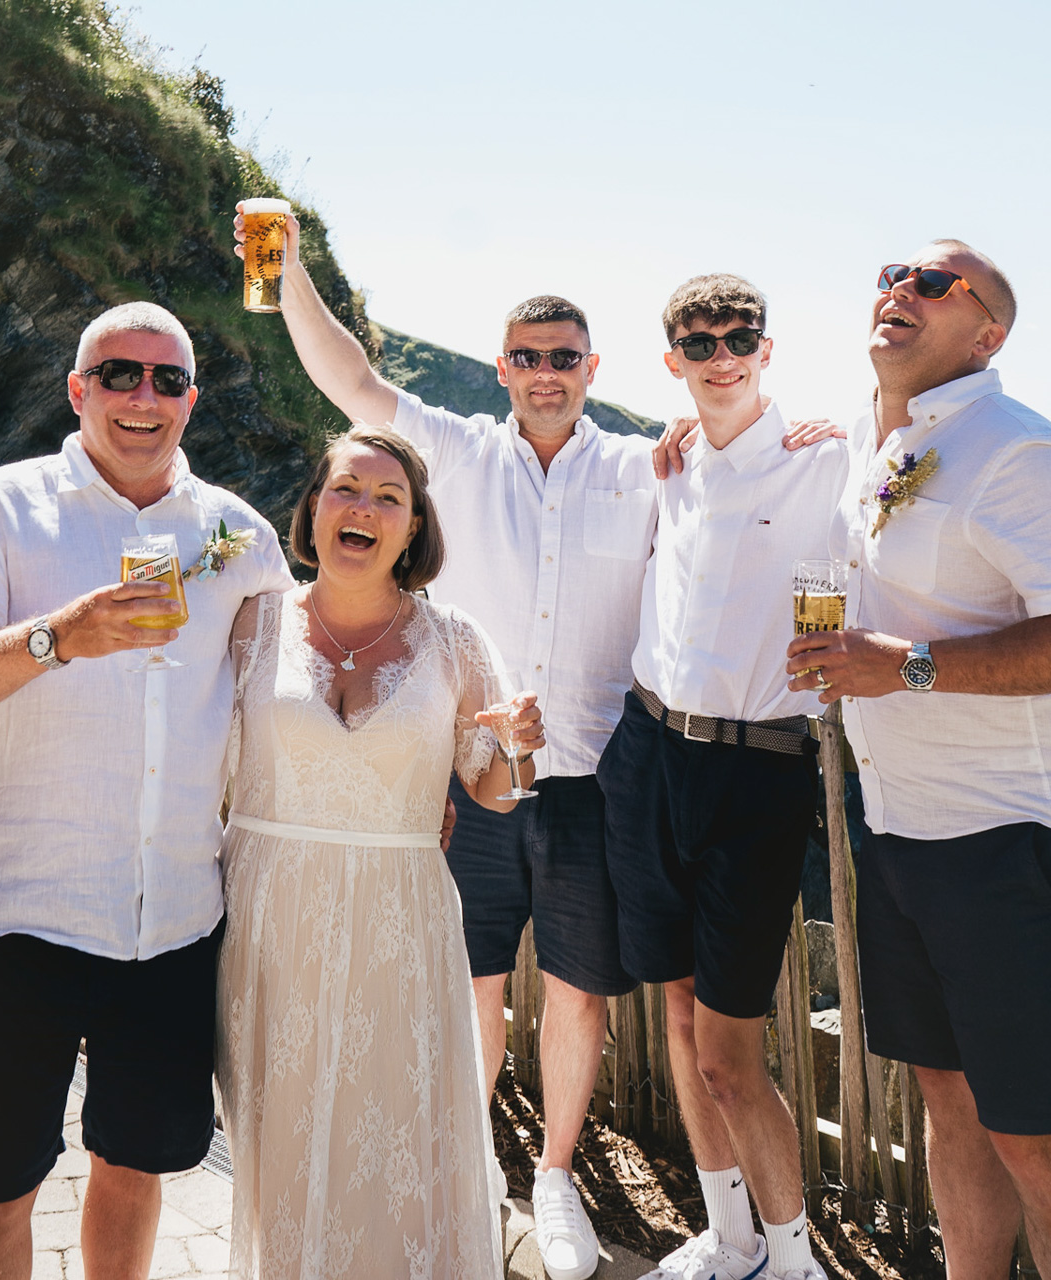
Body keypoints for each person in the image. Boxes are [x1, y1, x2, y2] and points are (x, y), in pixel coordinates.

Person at [241, 207, 648, 1280]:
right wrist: (284, 278)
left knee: (576, 988)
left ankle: (553, 1178)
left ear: (591, 367)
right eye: (526, 356)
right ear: (503, 367)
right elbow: (351, 381)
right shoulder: (455, 450)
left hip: (592, 776)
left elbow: (741, 481)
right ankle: (450, 1160)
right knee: (466, 984)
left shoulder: (647, 468)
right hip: (460, 777)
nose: (546, 372)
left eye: (565, 357)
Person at [0, 302, 293, 1280]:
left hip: (170, 915)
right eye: (119, 373)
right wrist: (58, 635)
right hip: (8, 911)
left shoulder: (235, 538)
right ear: (78, 390)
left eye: (166, 379)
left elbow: (281, 701)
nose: (142, 396)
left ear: (191, 401)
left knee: (137, 1160)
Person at [785, 241, 1051, 1279]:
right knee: (950, 1103)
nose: (900, 290)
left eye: (934, 283)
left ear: (987, 334)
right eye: (892, 273)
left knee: (1041, 1141)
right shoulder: (866, 435)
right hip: (900, 826)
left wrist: (911, 668)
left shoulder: (1022, 450)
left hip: (1014, 837)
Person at [217, 424, 544, 1279]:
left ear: (412, 528)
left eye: (388, 498)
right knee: (280, 1150)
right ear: (314, 510)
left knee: (396, 1140)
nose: (364, 508)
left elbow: (493, 789)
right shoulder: (249, 624)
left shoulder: (456, 642)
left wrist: (519, 746)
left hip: (400, 924)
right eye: (346, 490)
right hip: (268, 920)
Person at [599, 275, 843, 1280]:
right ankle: (730, 1236)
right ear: (675, 361)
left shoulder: (825, 456)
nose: (723, 352)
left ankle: (794, 1260)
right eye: (700, 341)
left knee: (731, 1052)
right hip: (648, 750)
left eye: (739, 334)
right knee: (677, 1013)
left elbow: (894, 485)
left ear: (767, 346)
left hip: (758, 771)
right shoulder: (672, 458)